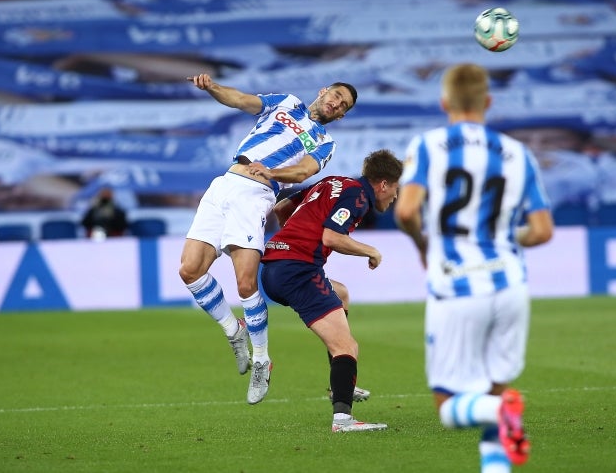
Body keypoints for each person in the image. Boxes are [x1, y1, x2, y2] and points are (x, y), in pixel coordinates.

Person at [394, 63, 555, 470]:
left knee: (449, 407)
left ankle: (499, 412)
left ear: (444, 102)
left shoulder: (429, 145)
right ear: (488, 101)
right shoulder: (519, 154)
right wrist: (503, 238)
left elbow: (407, 211)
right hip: (510, 285)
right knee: (494, 393)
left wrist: (423, 245)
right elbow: (542, 231)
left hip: (457, 286)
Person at [178, 74, 357, 393]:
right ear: (323, 91)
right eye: (336, 95)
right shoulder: (286, 102)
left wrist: (271, 172)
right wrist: (212, 87)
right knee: (190, 270)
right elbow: (241, 99)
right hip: (224, 184)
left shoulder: (325, 142)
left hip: (256, 193)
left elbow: (304, 171)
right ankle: (234, 330)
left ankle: (262, 359)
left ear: (341, 116)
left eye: (343, 105)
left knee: (246, 284)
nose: (337, 103)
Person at [257, 149, 403, 432]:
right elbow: (331, 237)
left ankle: (341, 385)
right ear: (383, 184)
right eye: (395, 188)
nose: (395, 196)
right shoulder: (358, 197)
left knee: (342, 293)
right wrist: (371, 251)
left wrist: (295, 242)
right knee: (347, 348)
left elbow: (282, 208)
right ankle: (343, 420)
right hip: (297, 272)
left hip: (274, 268)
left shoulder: (333, 182)